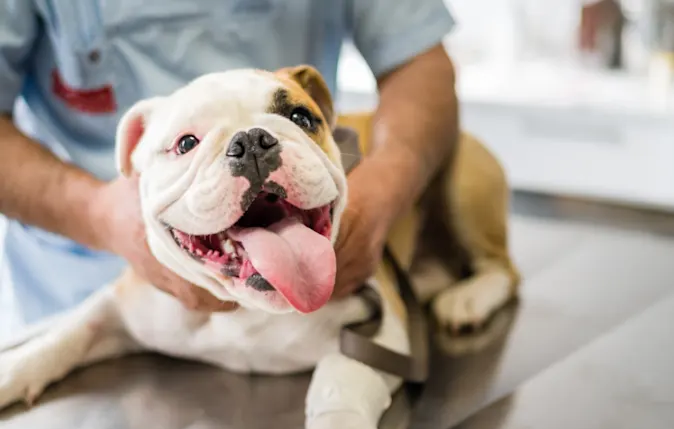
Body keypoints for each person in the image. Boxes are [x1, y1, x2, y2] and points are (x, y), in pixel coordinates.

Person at [0, 1, 459, 335]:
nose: (250, 151)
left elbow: (418, 59)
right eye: (187, 143)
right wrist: (98, 215)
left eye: (295, 116)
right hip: (80, 293)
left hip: (314, 288)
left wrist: (385, 188)